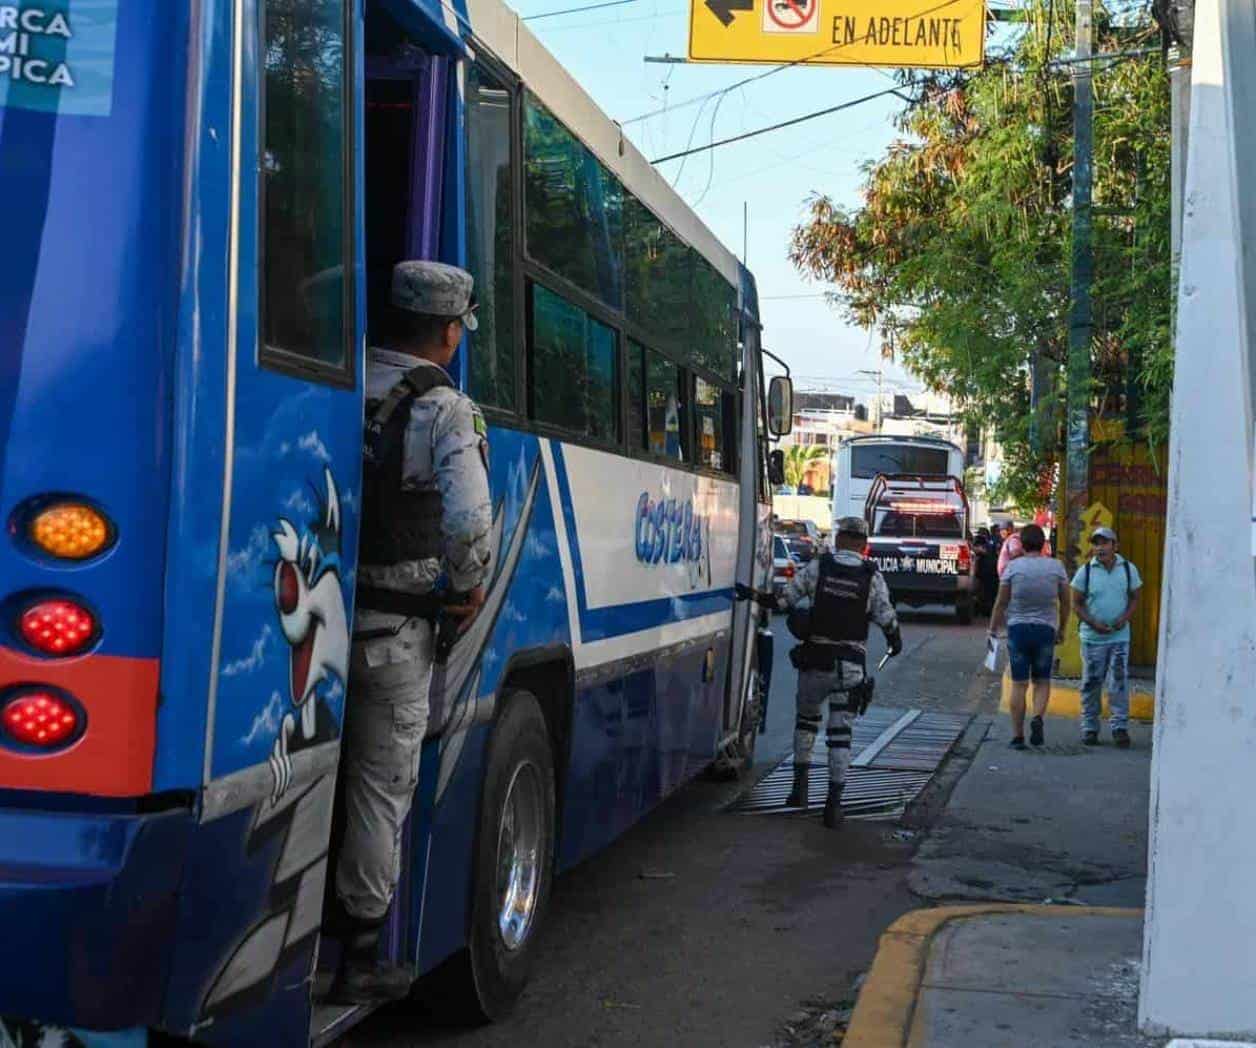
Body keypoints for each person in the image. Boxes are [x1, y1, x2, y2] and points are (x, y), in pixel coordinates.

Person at [330, 261, 493, 1004]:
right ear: (448, 331)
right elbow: (468, 523)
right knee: (379, 785)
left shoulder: (337, 379)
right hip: (397, 631)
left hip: (320, 614)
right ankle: (360, 953)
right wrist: (466, 588)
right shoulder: (445, 408)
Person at [736, 517, 902, 829]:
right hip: (849, 668)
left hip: (814, 662)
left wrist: (752, 595)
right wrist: (895, 640)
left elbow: (783, 599)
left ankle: (799, 791)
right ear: (864, 543)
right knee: (840, 736)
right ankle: (833, 807)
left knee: (806, 724)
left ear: (839, 539)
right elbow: (886, 617)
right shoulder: (872, 576)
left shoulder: (818, 567)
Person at [989, 524, 1070, 750]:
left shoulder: (1013, 568)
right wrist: (1062, 628)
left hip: (1018, 630)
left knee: (1019, 683)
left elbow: (1001, 602)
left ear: (1022, 545)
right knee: (1042, 680)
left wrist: (992, 629)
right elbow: (1066, 602)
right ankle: (1037, 718)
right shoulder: (1056, 567)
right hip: (1045, 631)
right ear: (1044, 543)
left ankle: (1017, 736)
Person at [1070, 526, 1143, 748]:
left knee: (1118, 682)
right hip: (1093, 639)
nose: (1099, 548)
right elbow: (1076, 603)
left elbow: (1135, 598)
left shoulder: (1128, 569)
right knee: (1091, 683)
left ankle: (1119, 728)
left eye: (1104, 543)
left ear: (1115, 546)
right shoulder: (1086, 571)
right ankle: (1090, 728)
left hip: (1119, 638)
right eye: (1096, 543)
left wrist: (1125, 618)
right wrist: (1093, 622)